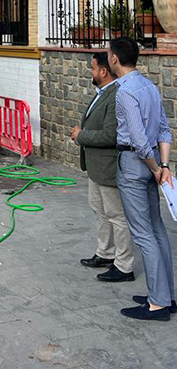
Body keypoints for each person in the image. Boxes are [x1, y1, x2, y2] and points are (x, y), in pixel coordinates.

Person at [107, 37, 176, 321]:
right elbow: (164, 129)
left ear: (114, 59)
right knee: (157, 229)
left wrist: (155, 167)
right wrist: (163, 165)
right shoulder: (149, 86)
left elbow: (137, 139)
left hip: (135, 166)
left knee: (143, 233)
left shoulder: (125, 91)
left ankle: (158, 303)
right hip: (152, 165)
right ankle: (166, 295)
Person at [70, 52, 134, 282]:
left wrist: (81, 135)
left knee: (117, 216)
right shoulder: (102, 93)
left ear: (104, 71)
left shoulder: (116, 95)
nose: (91, 72)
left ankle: (124, 265)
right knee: (99, 211)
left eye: (93, 68)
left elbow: (111, 134)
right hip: (96, 168)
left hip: (108, 168)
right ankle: (105, 253)